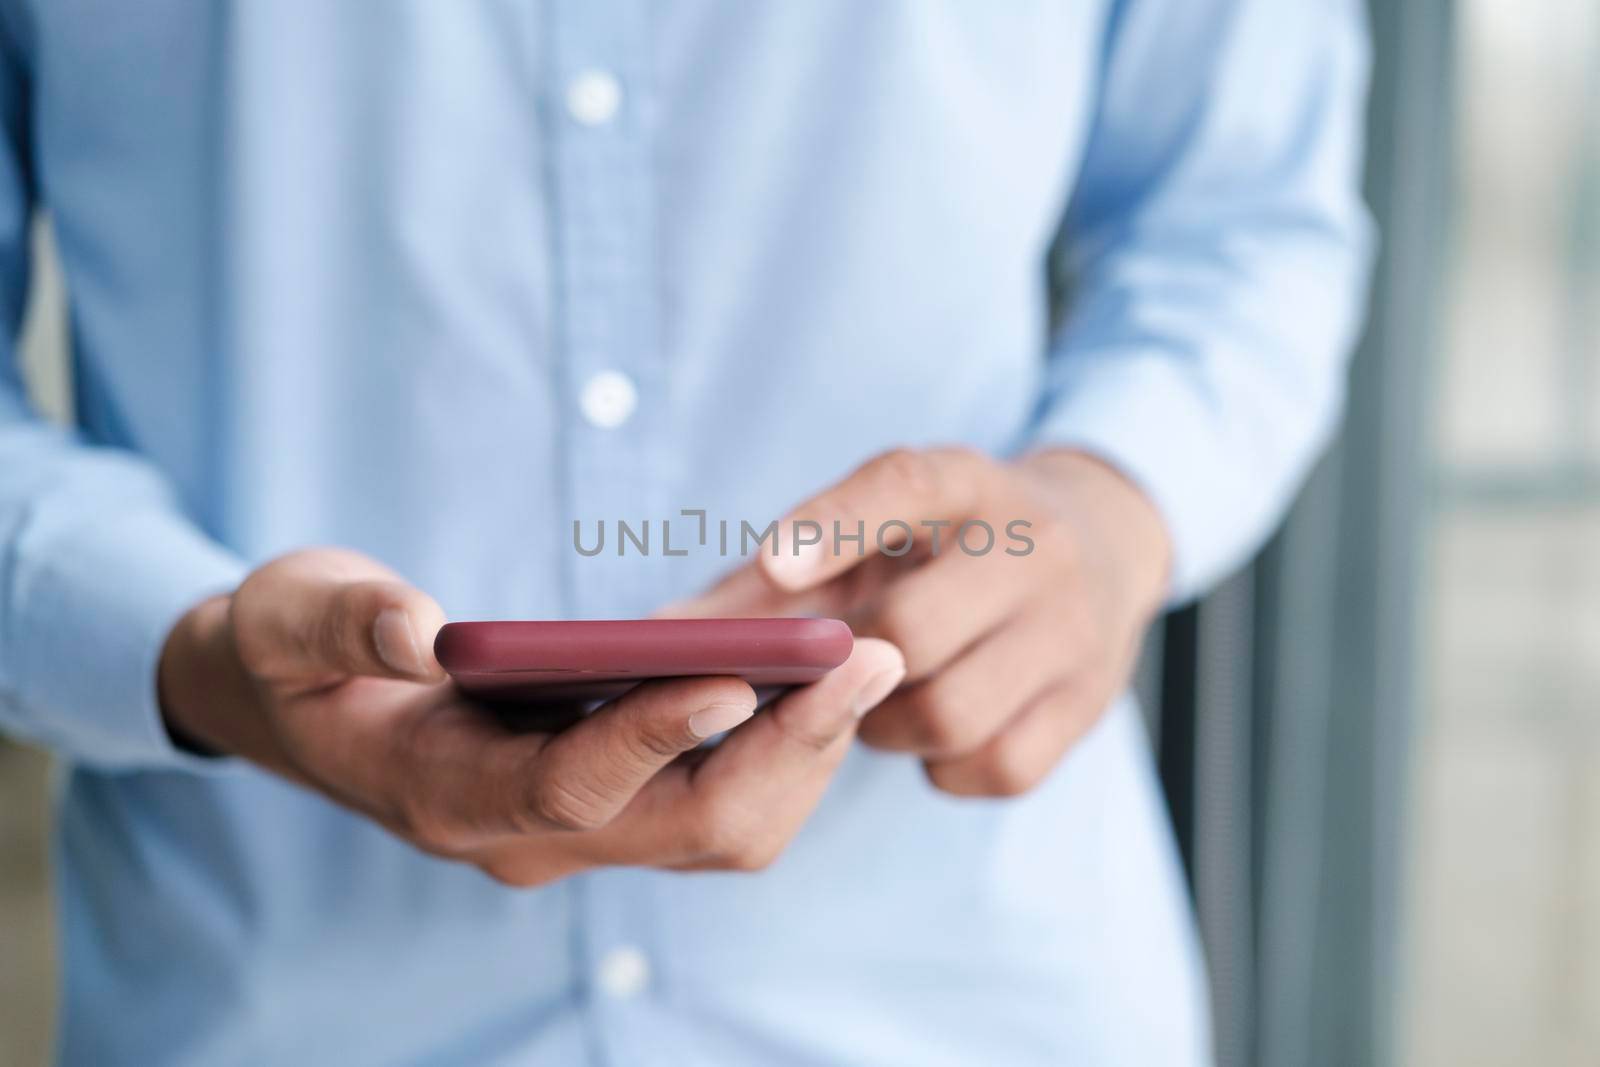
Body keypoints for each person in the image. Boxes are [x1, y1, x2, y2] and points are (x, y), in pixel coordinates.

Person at [0, 3, 1371, 1064]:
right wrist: (189, 654)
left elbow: (1245, 216)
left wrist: (1108, 512)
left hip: (971, 989)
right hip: (278, 1005)